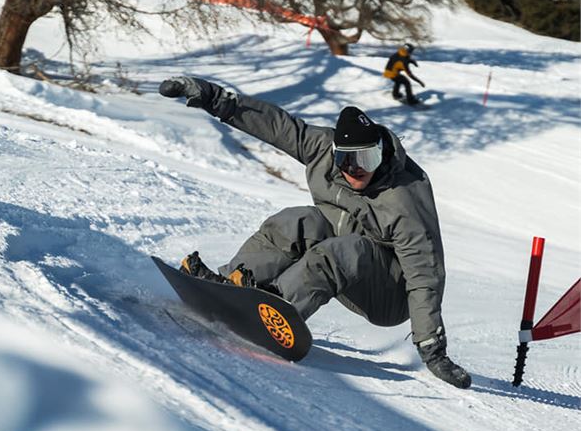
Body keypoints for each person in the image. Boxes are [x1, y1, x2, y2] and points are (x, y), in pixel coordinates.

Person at [158, 76, 471, 389]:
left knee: (344, 251)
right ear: (334, 152)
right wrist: (215, 98)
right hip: (349, 252)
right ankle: (232, 285)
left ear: (381, 153)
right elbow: (278, 126)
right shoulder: (322, 149)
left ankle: (276, 307)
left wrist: (432, 348)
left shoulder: (403, 200)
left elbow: (423, 276)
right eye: (345, 159)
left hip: (392, 292)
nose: (354, 169)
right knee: (297, 220)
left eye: (366, 158)